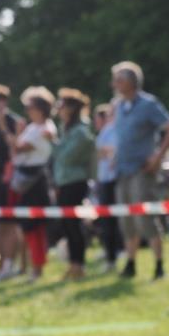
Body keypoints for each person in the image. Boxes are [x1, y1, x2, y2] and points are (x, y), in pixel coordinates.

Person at [111, 61, 169, 280]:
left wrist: (157, 158)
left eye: (119, 79)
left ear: (132, 82)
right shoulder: (118, 106)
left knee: (145, 219)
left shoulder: (148, 104)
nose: (114, 84)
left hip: (142, 170)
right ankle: (131, 263)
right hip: (122, 170)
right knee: (127, 220)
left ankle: (159, 266)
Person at [2, 87, 57, 282]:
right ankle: (29, 267)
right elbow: (16, 151)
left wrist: (15, 135)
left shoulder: (45, 127)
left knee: (34, 227)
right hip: (24, 179)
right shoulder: (32, 128)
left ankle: (37, 268)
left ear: (41, 108)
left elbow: (19, 147)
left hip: (35, 180)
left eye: (30, 106)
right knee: (26, 227)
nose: (27, 110)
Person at [0, 85, 26, 282]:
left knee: (10, 223)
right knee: (2, 224)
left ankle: (10, 264)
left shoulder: (13, 121)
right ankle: (3, 264)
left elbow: (15, 149)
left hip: (10, 181)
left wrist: (2, 127)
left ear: (4, 102)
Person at [53, 89, 97, 279]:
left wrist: (52, 143)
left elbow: (66, 157)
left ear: (70, 108)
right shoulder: (67, 130)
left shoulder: (81, 132)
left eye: (61, 105)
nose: (58, 110)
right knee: (67, 226)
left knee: (73, 225)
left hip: (75, 183)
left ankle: (79, 265)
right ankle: (73, 264)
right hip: (64, 182)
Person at [93, 103, 121, 271]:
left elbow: (111, 151)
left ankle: (115, 254)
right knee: (106, 221)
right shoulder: (107, 131)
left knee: (113, 220)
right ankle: (110, 253)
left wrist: (103, 152)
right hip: (104, 178)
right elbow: (100, 152)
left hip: (112, 179)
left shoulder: (115, 130)